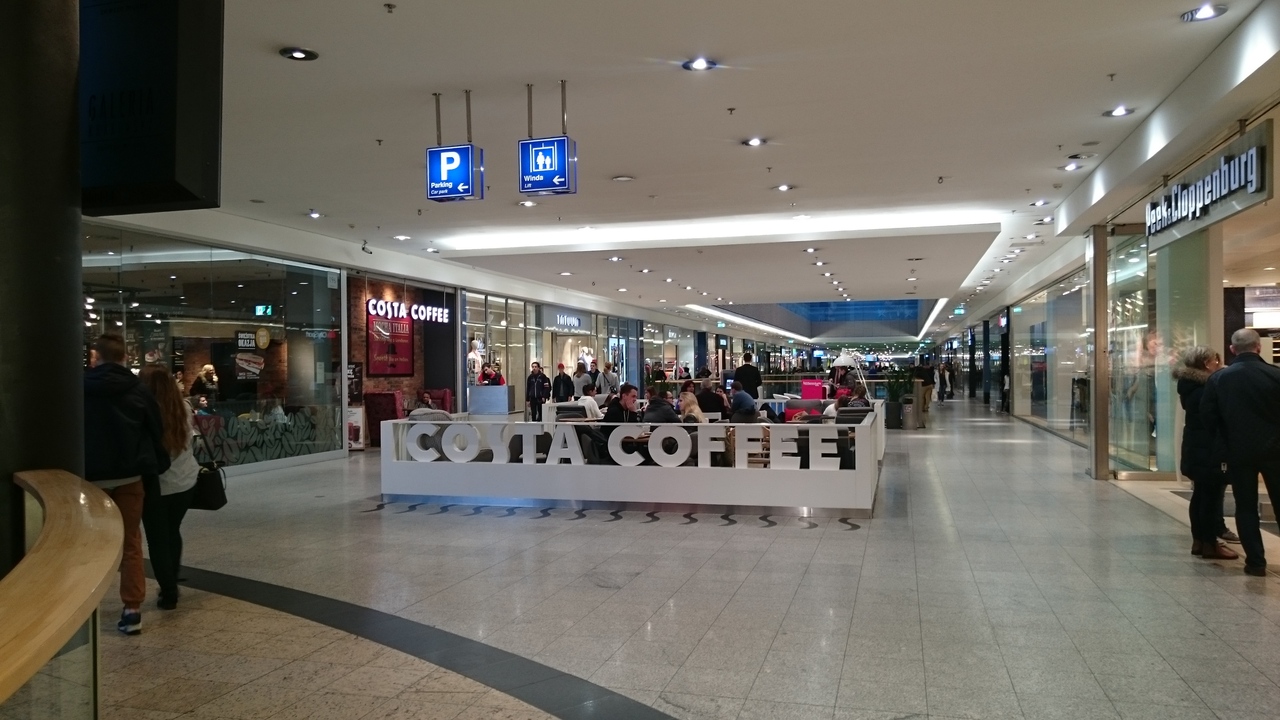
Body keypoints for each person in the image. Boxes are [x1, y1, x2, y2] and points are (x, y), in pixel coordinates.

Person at [84, 335, 171, 634]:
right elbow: (156, 429)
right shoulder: (138, 390)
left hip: (92, 480)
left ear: (96, 357)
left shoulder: (80, 388)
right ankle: (132, 609)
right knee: (131, 541)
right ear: (124, 357)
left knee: (91, 543)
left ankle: (84, 607)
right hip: (131, 477)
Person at [1203, 328, 1280, 576]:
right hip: (1275, 450)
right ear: (1258, 347)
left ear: (1232, 349)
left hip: (1238, 451)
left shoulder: (1219, 379)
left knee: (1245, 506)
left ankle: (1256, 562)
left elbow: (1208, 417)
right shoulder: (1275, 375)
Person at [139, 366, 201, 609]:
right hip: (185, 481)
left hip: (157, 484)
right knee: (172, 531)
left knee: (157, 539)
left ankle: (168, 591)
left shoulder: (145, 410)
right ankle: (172, 580)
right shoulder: (184, 407)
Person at [1174, 347, 1237, 561]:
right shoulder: (1207, 388)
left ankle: (1199, 541)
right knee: (1210, 497)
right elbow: (1216, 417)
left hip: (1195, 447)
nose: (1218, 364)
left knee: (1200, 494)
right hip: (1209, 448)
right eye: (1214, 360)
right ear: (1206, 364)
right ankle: (1210, 543)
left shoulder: (1189, 386)